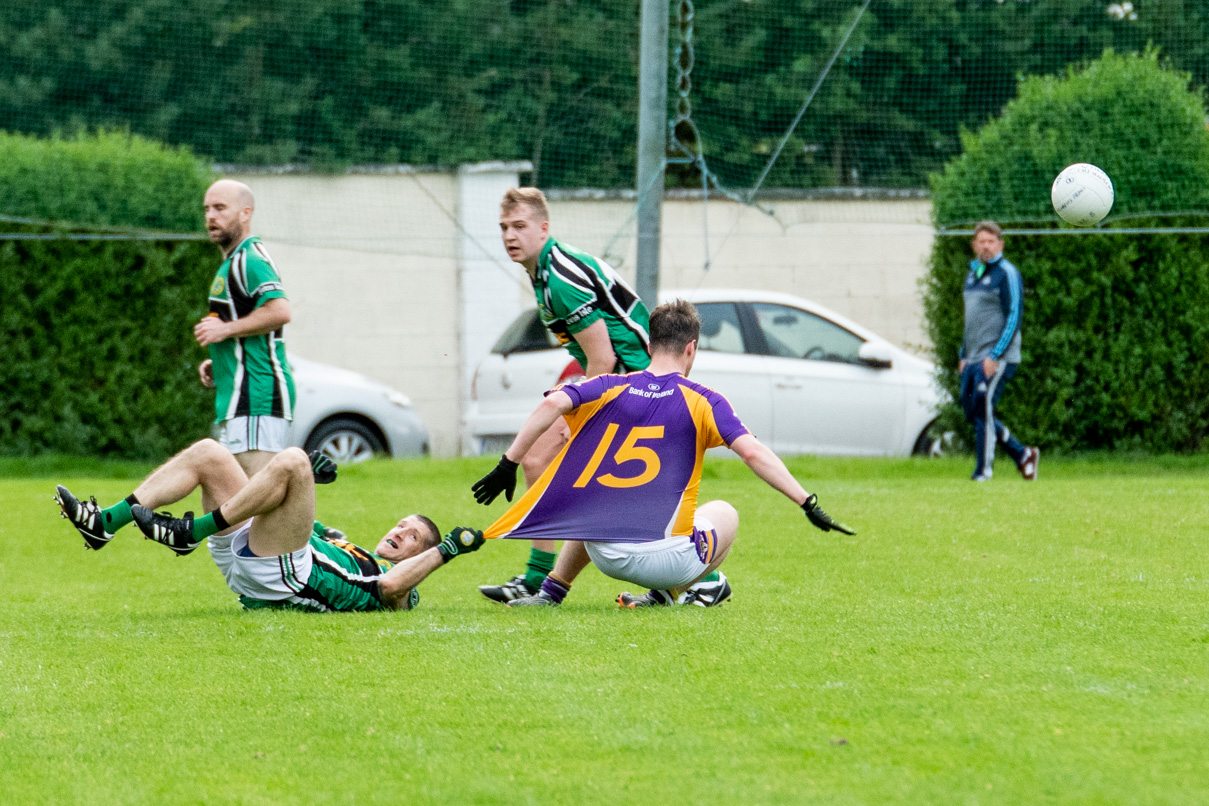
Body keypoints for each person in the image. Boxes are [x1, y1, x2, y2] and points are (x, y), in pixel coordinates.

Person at [470, 299, 855, 608]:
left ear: (650, 345)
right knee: (726, 513)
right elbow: (754, 454)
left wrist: (509, 463)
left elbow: (551, 405)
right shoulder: (704, 400)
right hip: (666, 561)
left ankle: (552, 592)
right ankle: (687, 590)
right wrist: (807, 502)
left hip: (604, 553)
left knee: (594, 497)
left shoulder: (608, 386)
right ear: (691, 348)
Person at [54, 440, 484, 611]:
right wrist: (310, 479)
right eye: (401, 524)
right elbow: (277, 508)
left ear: (418, 555)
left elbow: (393, 590)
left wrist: (445, 550)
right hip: (261, 558)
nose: (399, 533)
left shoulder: (399, 586)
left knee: (292, 460)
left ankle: (191, 532)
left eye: (413, 537)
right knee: (210, 453)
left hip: (284, 579)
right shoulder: (347, 545)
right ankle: (105, 523)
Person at [476, 187, 652, 604]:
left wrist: (582, 419)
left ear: (543, 228)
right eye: (503, 228)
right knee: (539, 460)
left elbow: (603, 358)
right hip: (621, 377)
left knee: (605, 486)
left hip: (634, 383)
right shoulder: (543, 271)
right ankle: (540, 579)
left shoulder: (560, 280)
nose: (509, 236)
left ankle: (691, 579)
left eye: (519, 226)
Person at [196, 179, 295, 478]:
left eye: (220, 208)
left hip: (256, 399)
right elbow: (251, 330)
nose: (211, 216)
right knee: (236, 499)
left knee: (255, 501)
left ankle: (318, 529)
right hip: (240, 399)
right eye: (207, 209)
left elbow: (280, 310)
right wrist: (223, 360)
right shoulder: (231, 263)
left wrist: (224, 331)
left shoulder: (249, 261)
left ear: (245, 213)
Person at [959, 221, 1039, 482]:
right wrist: (963, 354)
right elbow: (970, 320)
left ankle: (983, 471)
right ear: (974, 245)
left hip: (997, 358)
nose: (986, 246)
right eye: (981, 241)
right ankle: (1023, 454)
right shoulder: (973, 275)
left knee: (983, 411)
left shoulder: (1007, 273)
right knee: (973, 411)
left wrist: (995, 356)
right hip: (973, 358)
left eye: (991, 241)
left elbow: (1014, 316)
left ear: (1000, 245)